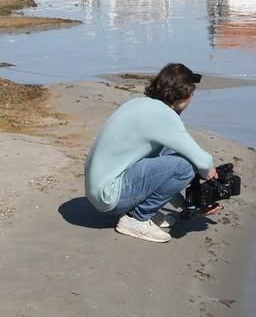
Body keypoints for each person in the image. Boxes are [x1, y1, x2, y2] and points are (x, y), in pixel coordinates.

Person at [84, 63, 218, 243]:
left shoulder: (137, 103)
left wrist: (188, 206)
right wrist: (211, 176)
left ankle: (143, 212)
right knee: (185, 166)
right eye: (192, 94)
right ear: (184, 96)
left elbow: (160, 172)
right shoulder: (163, 115)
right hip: (110, 195)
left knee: (171, 153)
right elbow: (202, 161)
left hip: (100, 190)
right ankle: (137, 219)